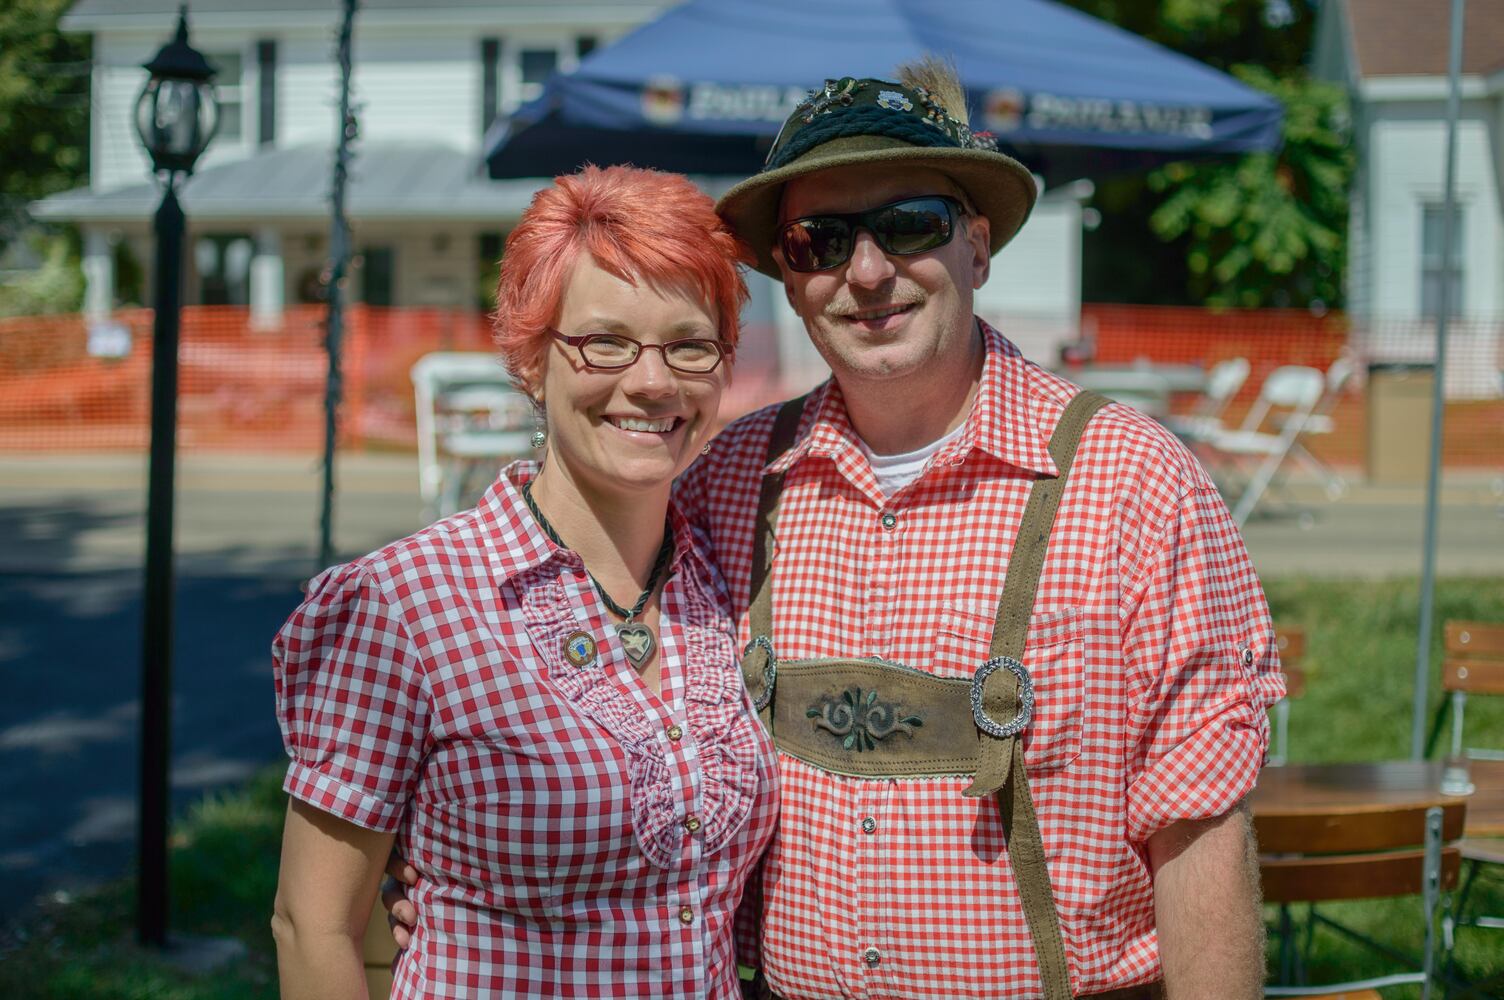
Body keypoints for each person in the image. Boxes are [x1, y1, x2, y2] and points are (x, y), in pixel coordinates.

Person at [389, 61, 1285, 999]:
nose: (866, 273)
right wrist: (438, 863)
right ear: (787, 275)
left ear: (977, 247)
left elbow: (1201, 834)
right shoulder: (725, 482)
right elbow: (570, 700)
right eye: (819, 241)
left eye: (910, 226)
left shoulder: (1132, 483)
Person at [270, 164, 779, 1000]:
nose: (653, 382)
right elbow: (311, 925)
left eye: (689, 344)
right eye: (605, 341)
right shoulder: (404, 604)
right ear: (533, 361)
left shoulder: (727, 583)